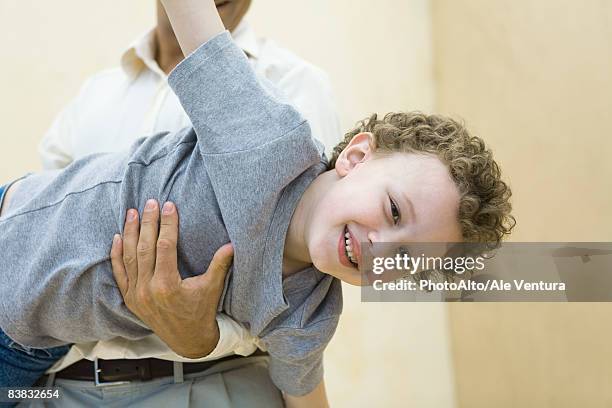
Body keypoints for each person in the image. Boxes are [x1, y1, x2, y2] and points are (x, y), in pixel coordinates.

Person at [0, 0, 515, 406]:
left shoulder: (309, 312)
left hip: (23, 346)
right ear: (356, 157)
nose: (382, 247)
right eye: (395, 212)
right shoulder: (265, 134)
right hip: (11, 227)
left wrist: (201, 335)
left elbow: (305, 394)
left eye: (404, 260)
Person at [34, 0, 341, 406]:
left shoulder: (294, 85)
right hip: (63, 387)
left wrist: (208, 336)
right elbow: (44, 233)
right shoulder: (97, 92)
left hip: (212, 384)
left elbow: (301, 281)